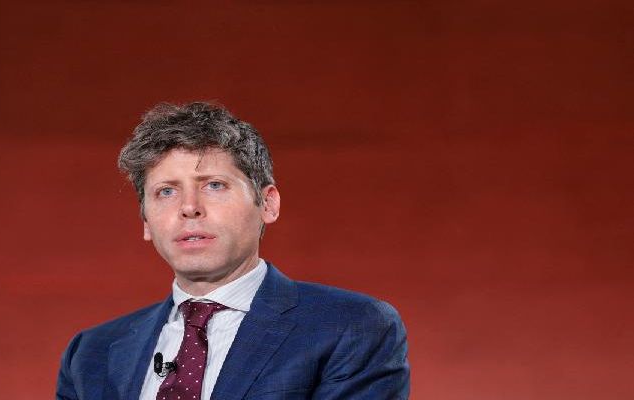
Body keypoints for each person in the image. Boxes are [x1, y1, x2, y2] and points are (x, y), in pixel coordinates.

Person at [56, 102, 410, 400]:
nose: (189, 208)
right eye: (166, 191)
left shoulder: (352, 327)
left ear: (267, 204)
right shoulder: (90, 354)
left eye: (214, 185)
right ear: (146, 221)